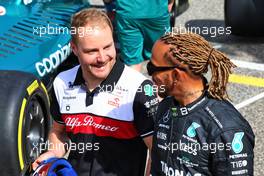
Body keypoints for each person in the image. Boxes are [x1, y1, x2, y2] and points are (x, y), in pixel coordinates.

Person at [33, 8, 159, 176]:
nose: (102, 58)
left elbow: (157, 151)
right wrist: (53, 153)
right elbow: (58, 133)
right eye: (91, 51)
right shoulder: (61, 83)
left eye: (107, 47)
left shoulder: (139, 87)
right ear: (74, 48)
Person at [148, 32, 255, 176]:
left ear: (176, 75)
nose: (150, 75)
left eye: (152, 68)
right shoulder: (165, 107)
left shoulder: (226, 130)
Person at [103, 0, 171, 72]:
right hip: (158, 11)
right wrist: (169, 5)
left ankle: (133, 82)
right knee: (161, 56)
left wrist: (109, 6)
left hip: (128, 12)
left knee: (132, 62)